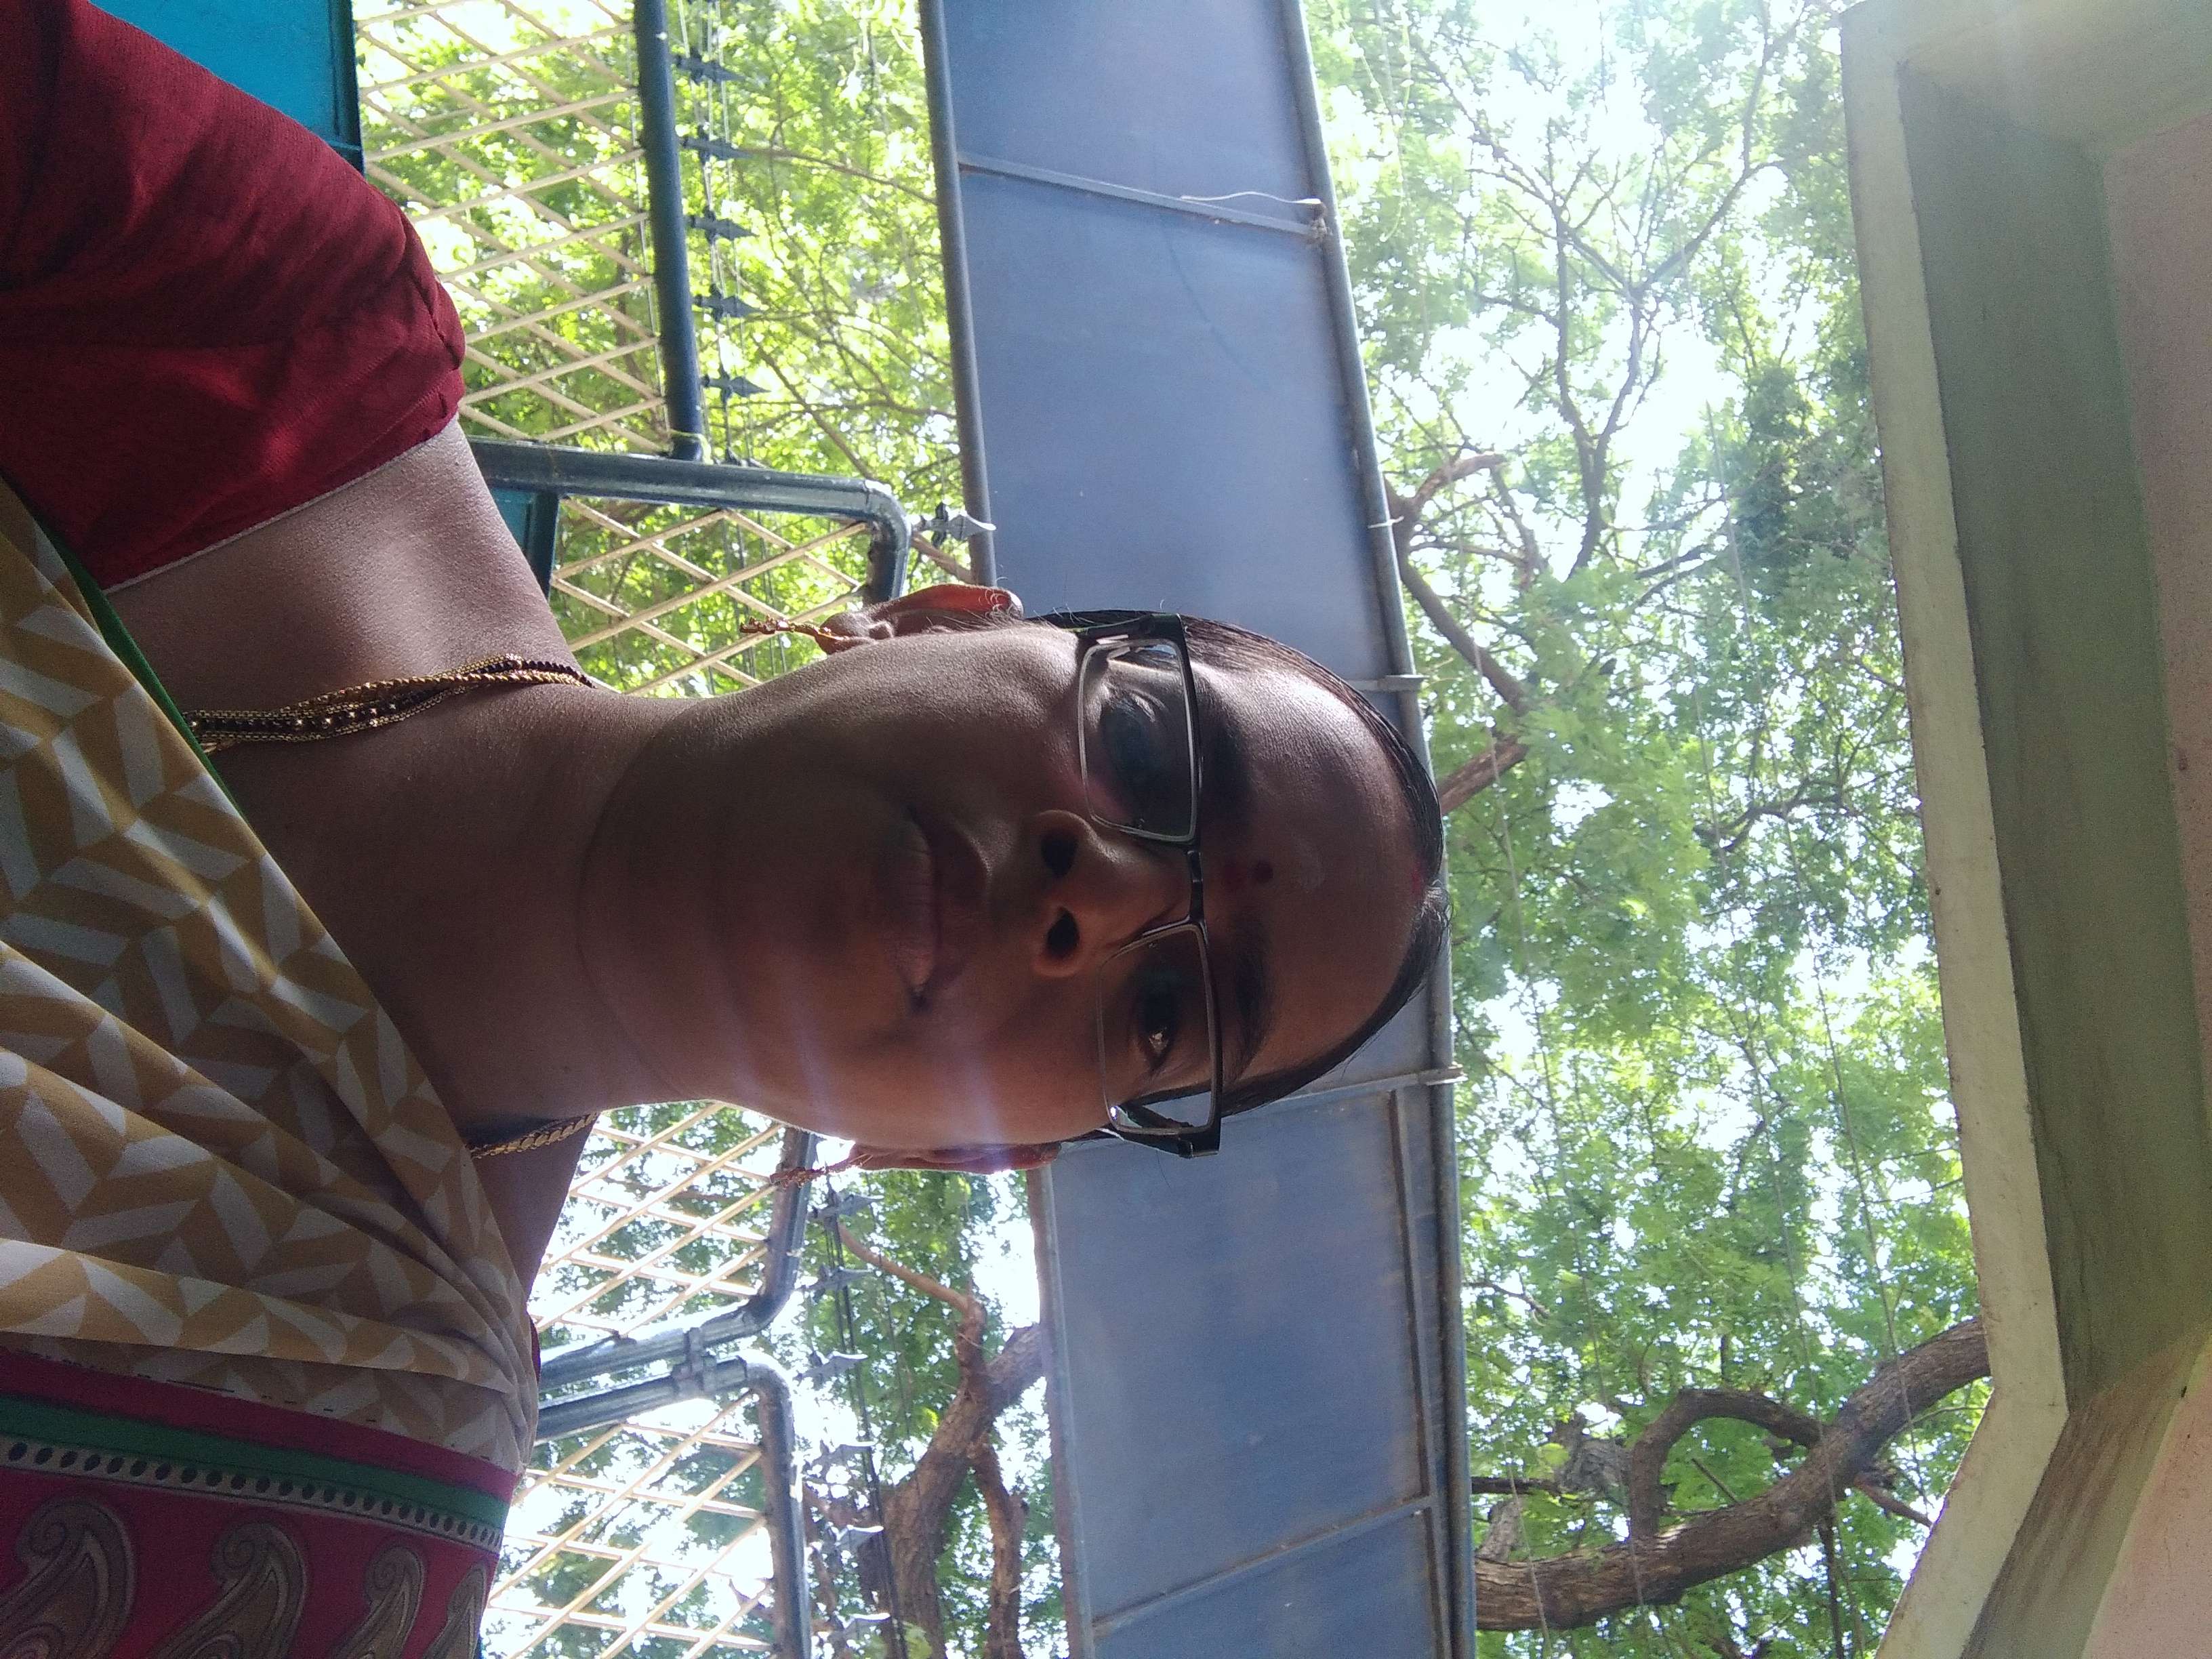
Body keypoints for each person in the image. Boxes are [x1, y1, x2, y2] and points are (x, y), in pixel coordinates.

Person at [0, 0, 1446, 1647]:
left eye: (1168, 1010)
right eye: (1146, 747)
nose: (1100, 902)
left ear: (970, 1149)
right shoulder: (262, 327)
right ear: (933, 619)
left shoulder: (331, 1488)